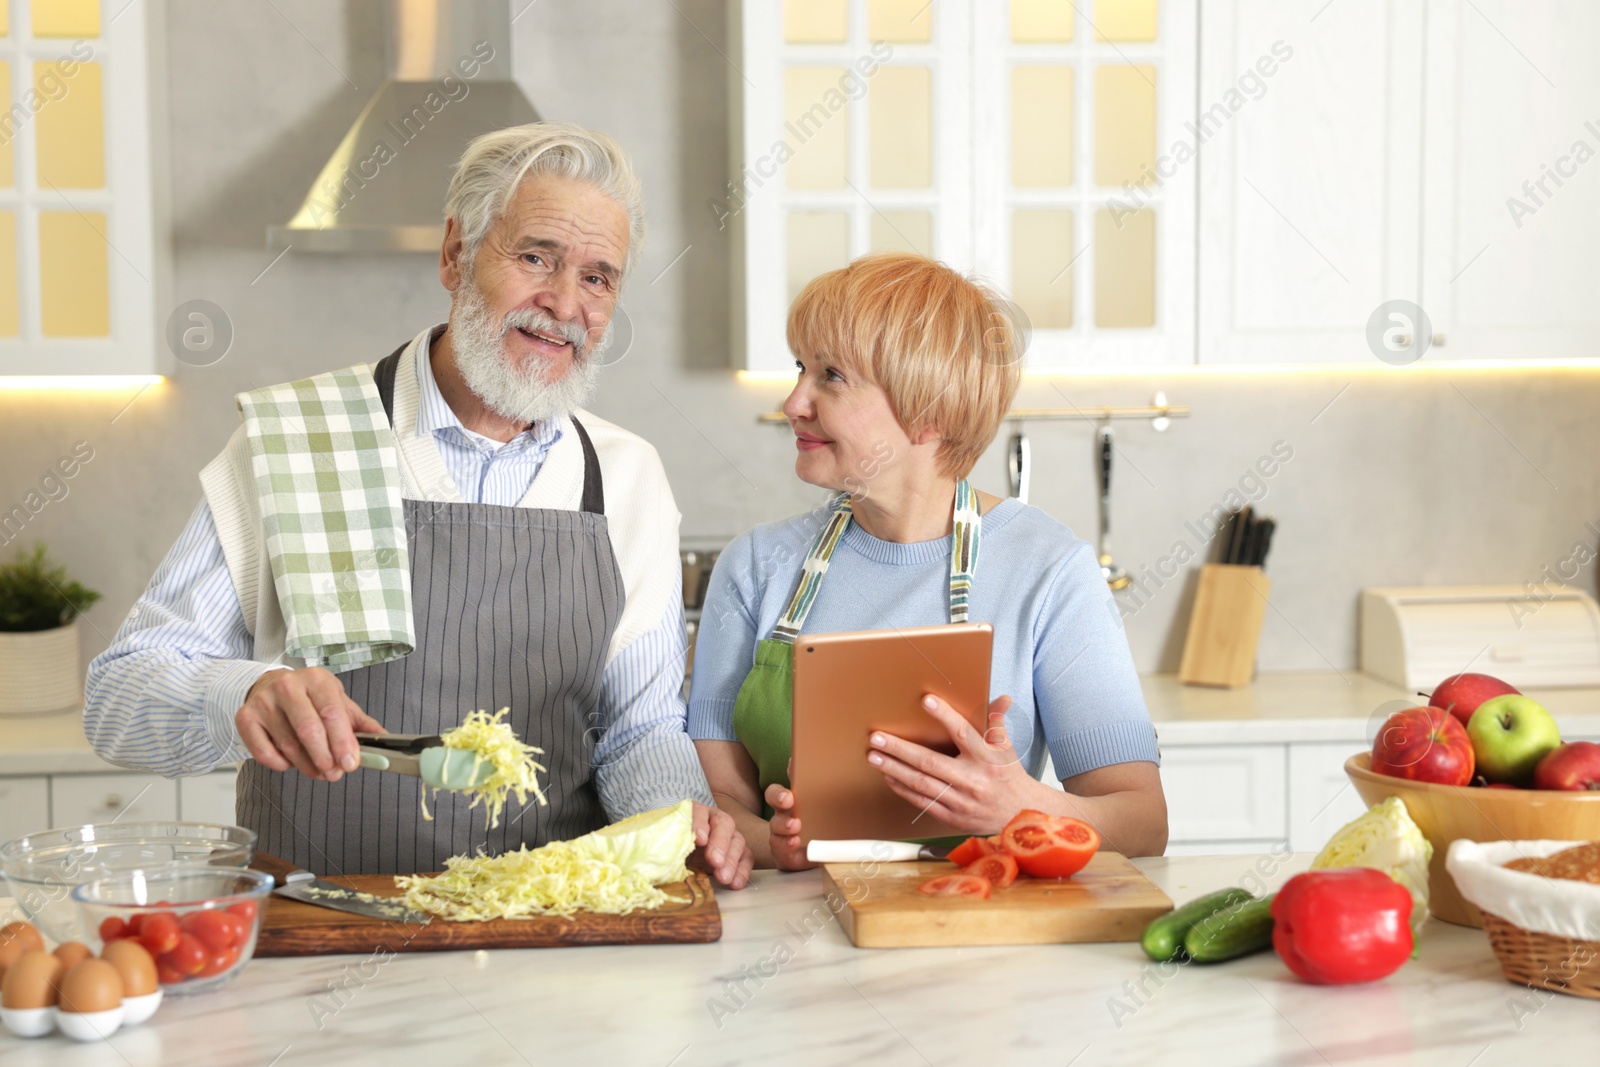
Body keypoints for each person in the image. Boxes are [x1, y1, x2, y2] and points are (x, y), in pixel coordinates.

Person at [84, 121, 751, 887]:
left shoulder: (626, 477)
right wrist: (240, 692)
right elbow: (119, 695)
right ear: (455, 254)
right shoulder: (303, 439)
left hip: (553, 928)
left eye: (598, 278)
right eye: (536, 257)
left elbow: (640, 731)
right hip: (319, 919)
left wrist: (678, 818)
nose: (564, 304)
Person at [688, 252, 1167, 870]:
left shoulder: (1049, 571)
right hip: (788, 940)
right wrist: (777, 845)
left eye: (830, 376)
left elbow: (1142, 821)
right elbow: (719, 805)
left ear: (930, 412)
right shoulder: (755, 566)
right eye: (800, 368)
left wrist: (1021, 806)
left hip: (976, 935)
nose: (793, 402)